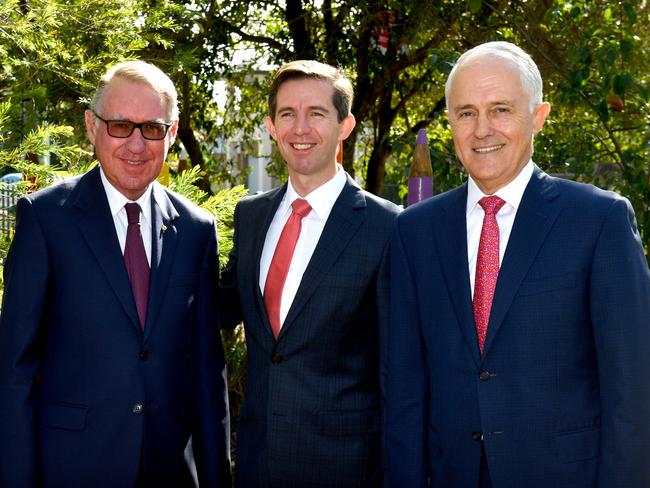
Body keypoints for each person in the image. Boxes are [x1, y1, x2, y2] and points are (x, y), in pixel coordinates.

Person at [387, 41, 650, 488]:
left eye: (501, 109)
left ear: (539, 117)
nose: (483, 129)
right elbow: (404, 388)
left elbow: (634, 388)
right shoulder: (415, 231)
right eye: (466, 113)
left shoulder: (598, 220)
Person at [0, 60, 231, 487]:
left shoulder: (196, 230)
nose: (137, 145)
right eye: (121, 126)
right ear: (92, 126)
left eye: (152, 128)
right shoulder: (47, 219)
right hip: (72, 468)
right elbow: (15, 369)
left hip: (169, 472)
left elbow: (206, 371)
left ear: (173, 133)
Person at [219, 60, 400, 487]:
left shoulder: (387, 226)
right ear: (271, 125)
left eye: (316, 113)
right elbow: (220, 306)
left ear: (345, 125)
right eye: (287, 114)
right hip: (258, 463)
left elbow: (399, 366)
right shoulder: (251, 216)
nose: (301, 128)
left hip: (347, 467)